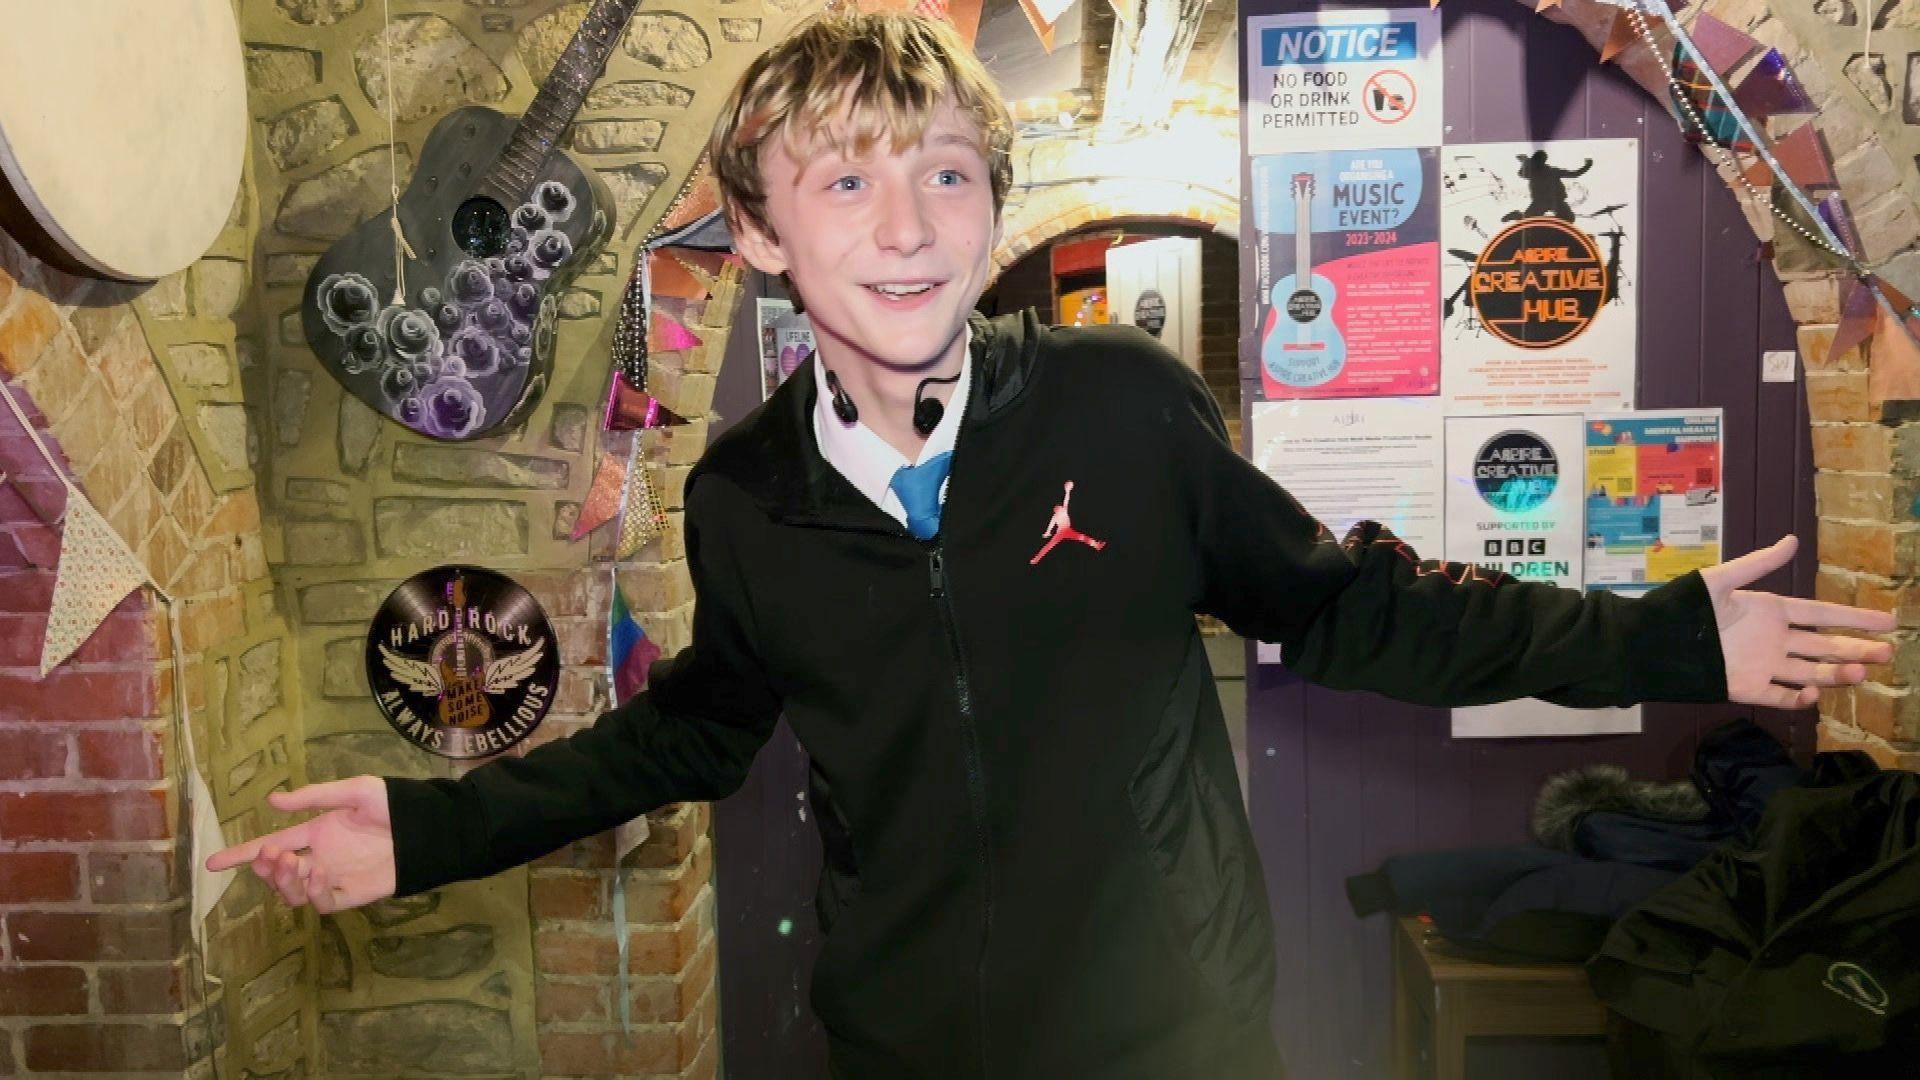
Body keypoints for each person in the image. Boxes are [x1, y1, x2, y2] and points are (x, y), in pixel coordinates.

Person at [210, 12, 1896, 1077]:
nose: (907, 227)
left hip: (1179, 1033)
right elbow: (691, 732)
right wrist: (431, 831)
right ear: (767, 240)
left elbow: (1355, 610)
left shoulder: (1117, 405)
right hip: (905, 1042)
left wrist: (1665, 635)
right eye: (847, 186)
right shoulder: (741, 499)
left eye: (946, 178)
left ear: (993, 214)